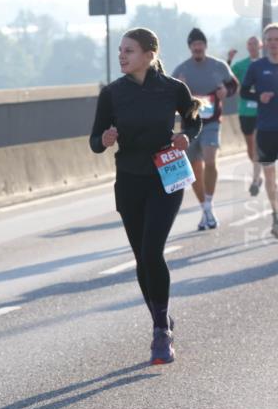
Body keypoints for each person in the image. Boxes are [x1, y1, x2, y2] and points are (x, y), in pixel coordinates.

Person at [90, 27, 201, 365]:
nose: (122, 56)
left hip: (165, 178)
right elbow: (95, 141)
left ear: (150, 54)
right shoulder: (112, 93)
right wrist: (106, 139)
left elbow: (193, 119)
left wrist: (186, 137)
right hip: (129, 181)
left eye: (130, 50)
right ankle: (161, 319)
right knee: (142, 258)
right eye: (120, 50)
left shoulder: (173, 88)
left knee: (153, 250)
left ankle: (159, 332)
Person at [240, 22, 278, 240]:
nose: (274, 43)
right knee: (270, 175)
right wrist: (259, 97)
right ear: (264, 44)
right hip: (265, 129)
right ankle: (275, 212)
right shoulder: (256, 67)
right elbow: (244, 92)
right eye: (270, 39)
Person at [172, 28, 238, 230]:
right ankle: (206, 209)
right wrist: (180, 88)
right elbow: (170, 98)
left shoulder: (218, 66)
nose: (197, 47)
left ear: (205, 46)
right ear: (190, 48)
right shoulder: (181, 70)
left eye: (200, 44)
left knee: (210, 159)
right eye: (194, 45)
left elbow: (234, 85)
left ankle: (208, 203)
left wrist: (226, 91)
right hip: (189, 126)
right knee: (193, 170)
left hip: (211, 122)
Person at [228, 36, 264, 195]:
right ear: (247, 47)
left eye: (255, 43)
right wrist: (229, 59)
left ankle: (255, 179)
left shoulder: (266, 63)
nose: (252, 46)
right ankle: (259, 170)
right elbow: (227, 76)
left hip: (263, 111)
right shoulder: (242, 65)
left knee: (257, 145)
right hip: (245, 110)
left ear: (260, 46)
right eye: (249, 43)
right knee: (250, 147)